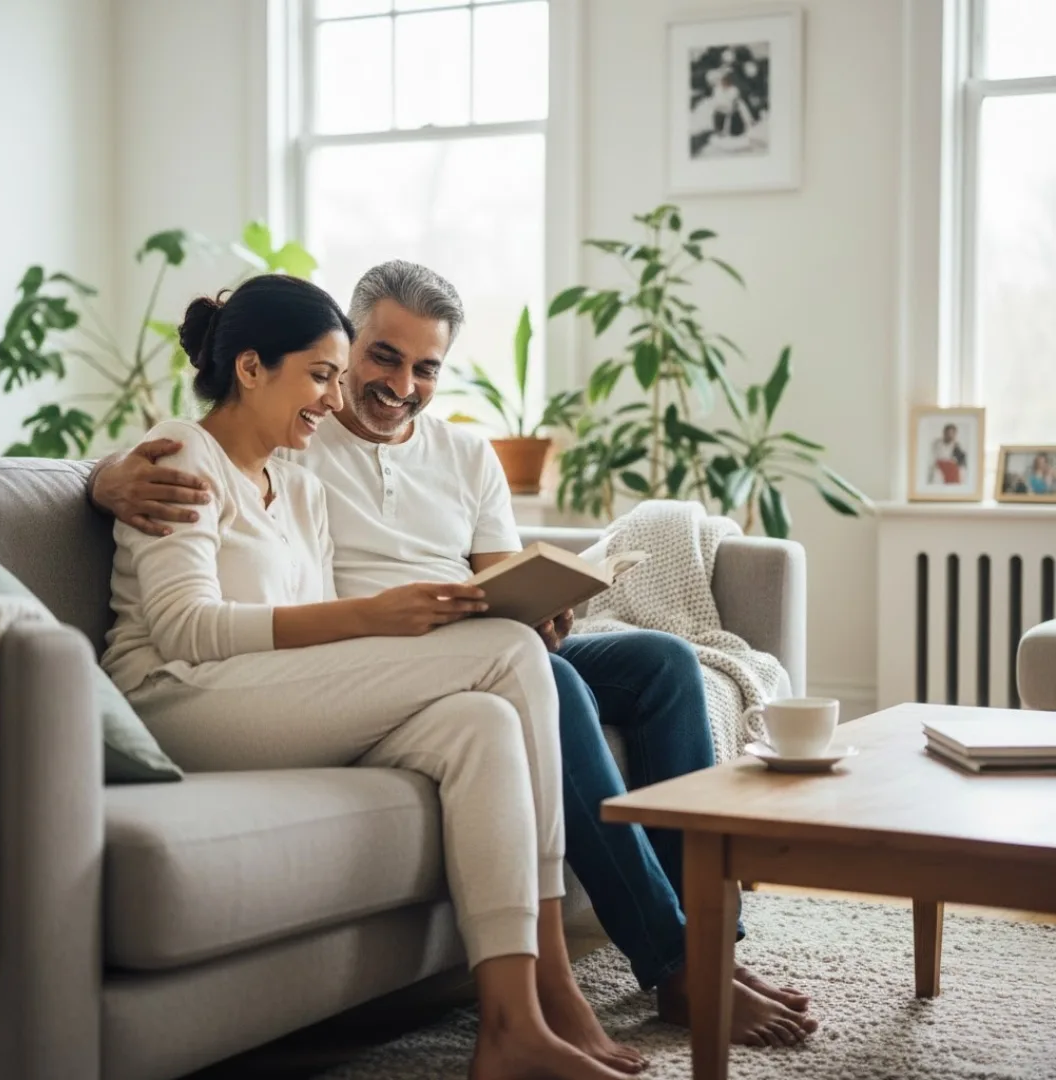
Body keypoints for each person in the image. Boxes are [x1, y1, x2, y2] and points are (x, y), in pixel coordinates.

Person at [90, 261, 818, 1049]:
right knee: (530, 672)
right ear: (348, 340)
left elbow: (496, 580)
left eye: (425, 367)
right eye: (377, 359)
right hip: (367, 650)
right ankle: (637, 971)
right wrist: (105, 479)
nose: (394, 384)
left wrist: (545, 605)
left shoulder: (453, 458)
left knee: (662, 664)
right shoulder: (297, 440)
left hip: (446, 640)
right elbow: (188, 468)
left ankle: (700, 949)